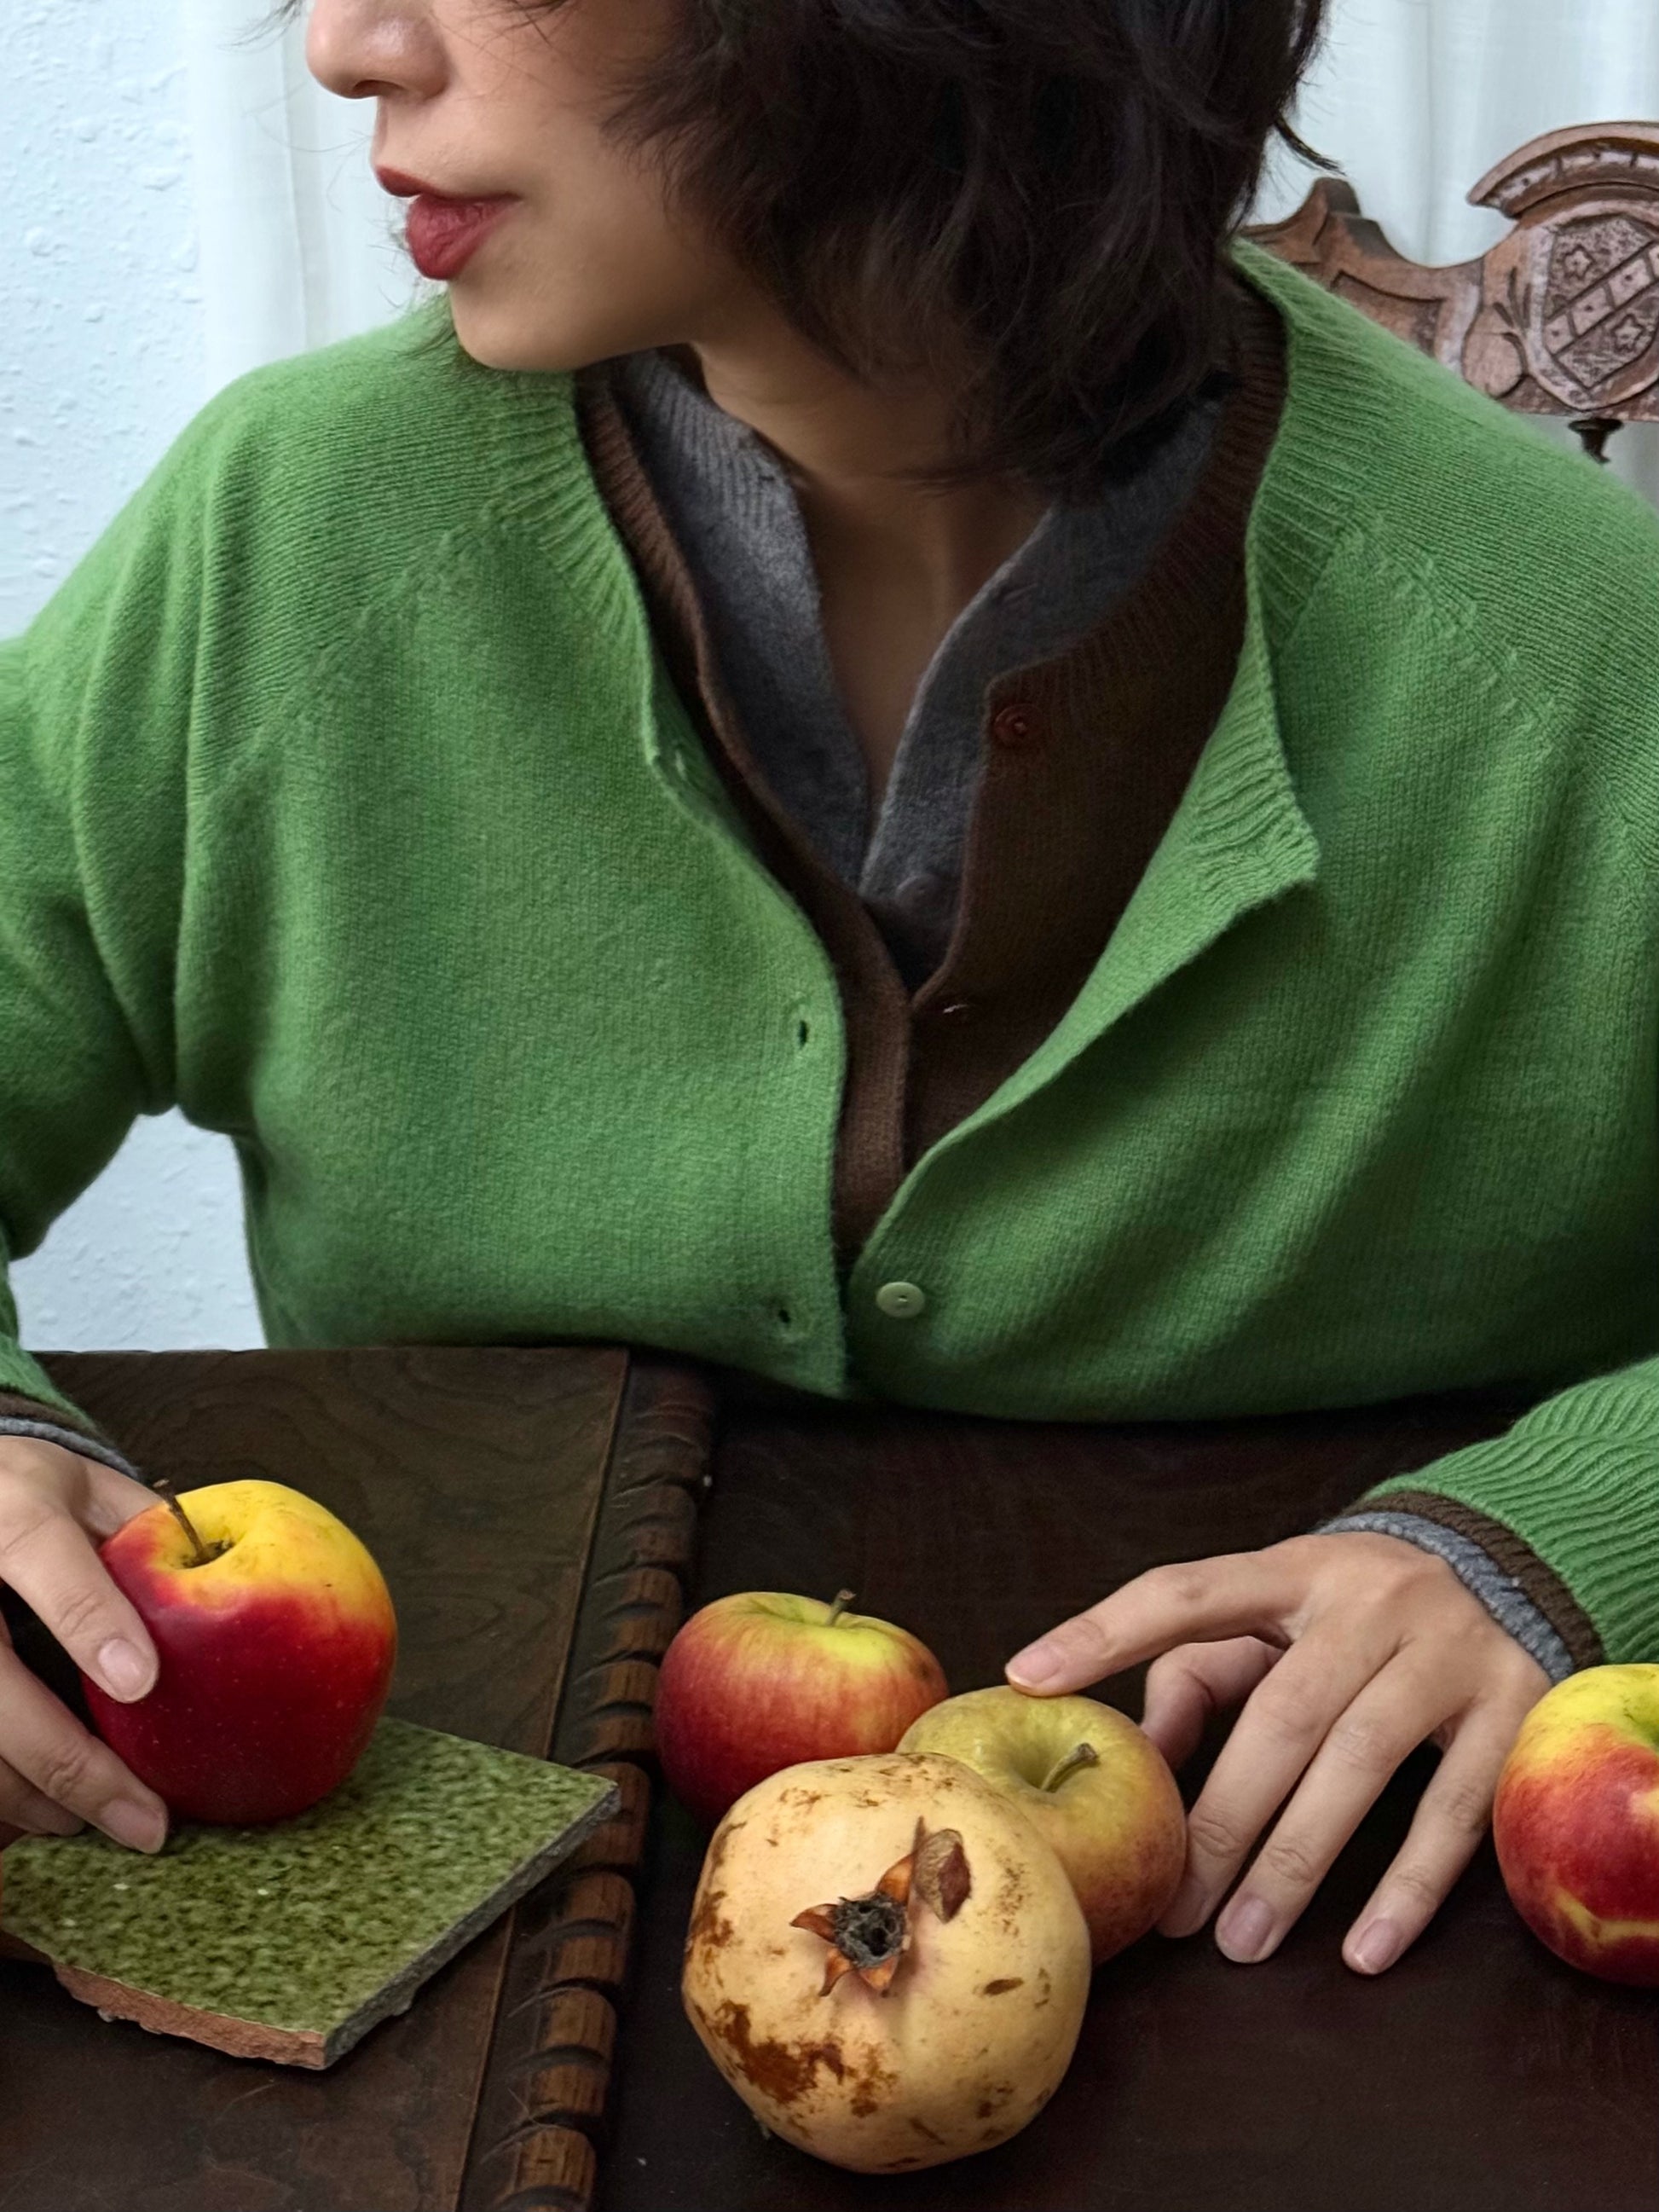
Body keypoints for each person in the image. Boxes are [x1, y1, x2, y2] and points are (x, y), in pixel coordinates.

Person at [1, 0, 1656, 1987]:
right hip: (427, 1941)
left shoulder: (1569, 650)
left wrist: (1561, 1537)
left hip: (1350, 1961)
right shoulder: (293, 540)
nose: (347, 44)